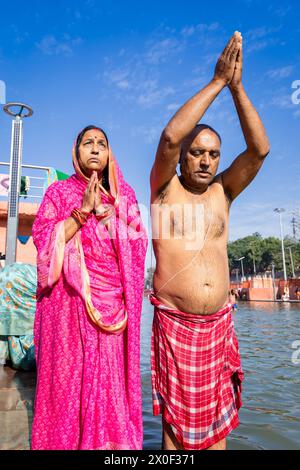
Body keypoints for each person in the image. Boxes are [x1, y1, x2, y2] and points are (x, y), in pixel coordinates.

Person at [150, 32, 270, 450]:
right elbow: (168, 136)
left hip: (218, 325)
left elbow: (259, 150)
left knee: (217, 429)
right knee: (174, 431)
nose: (205, 160)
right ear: (183, 156)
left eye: (214, 154)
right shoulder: (164, 189)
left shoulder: (224, 191)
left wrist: (237, 89)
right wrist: (217, 82)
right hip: (175, 327)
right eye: (197, 152)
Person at [31, 126, 147, 450]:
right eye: (88, 143)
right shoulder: (58, 194)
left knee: (109, 388)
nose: (95, 149)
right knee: (67, 387)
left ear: (110, 154)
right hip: (67, 314)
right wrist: (81, 213)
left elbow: (138, 248)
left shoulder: (125, 198)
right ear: (76, 152)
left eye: (102, 144)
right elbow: (43, 248)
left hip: (112, 316)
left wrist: (107, 216)